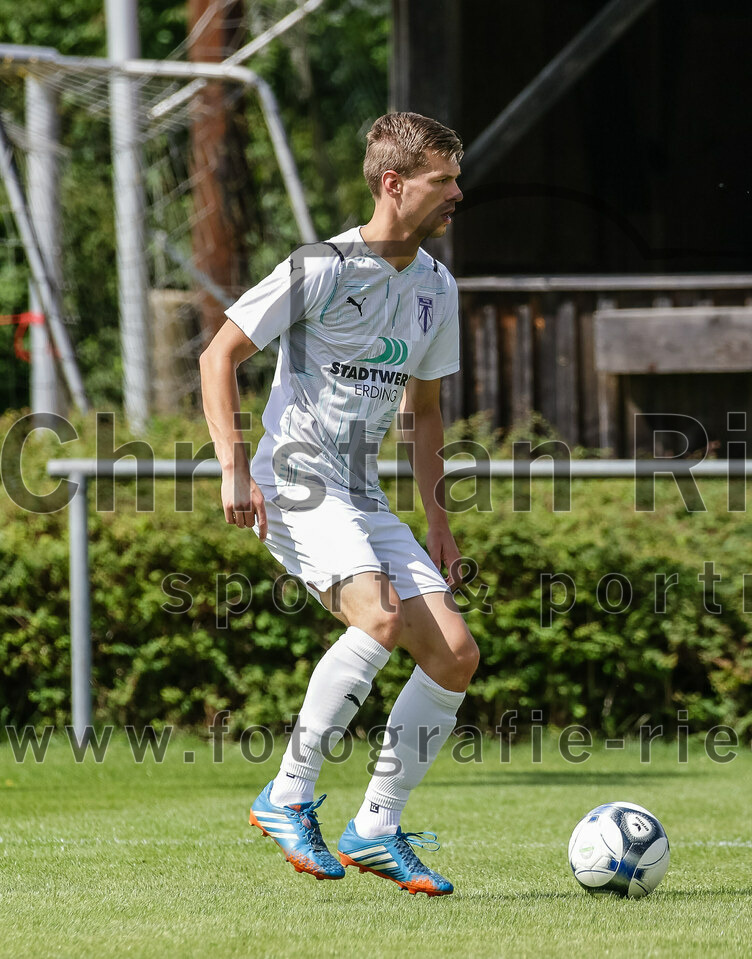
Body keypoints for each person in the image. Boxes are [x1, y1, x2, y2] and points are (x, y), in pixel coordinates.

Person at [199, 112, 477, 897]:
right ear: (395, 184)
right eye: (444, 179)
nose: (459, 192)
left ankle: (377, 827)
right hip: (295, 480)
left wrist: (439, 523)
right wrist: (233, 466)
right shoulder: (321, 266)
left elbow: (424, 413)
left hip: (361, 494)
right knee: (380, 617)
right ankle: (285, 795)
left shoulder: (435, 287)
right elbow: (219, 353)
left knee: (454, 654)